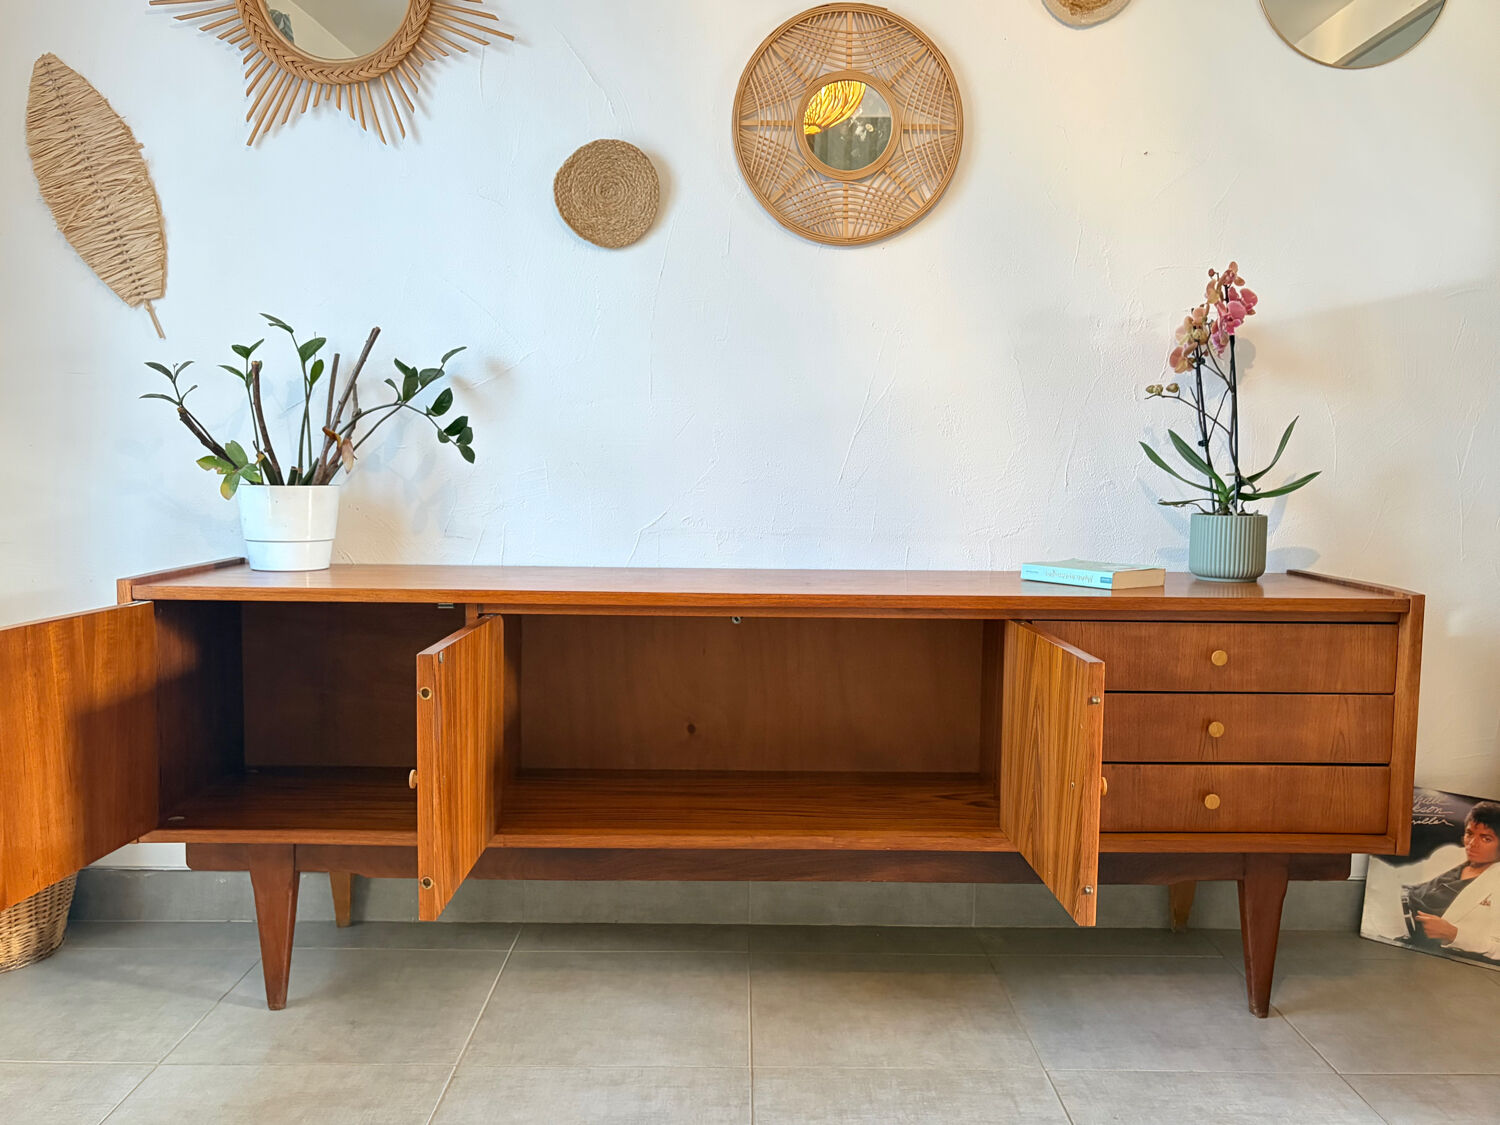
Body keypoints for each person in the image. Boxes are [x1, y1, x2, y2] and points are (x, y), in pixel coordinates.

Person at [1398, 801, 1500, 961]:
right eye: (1469, 834)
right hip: (1395, 928)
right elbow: (1399, 879)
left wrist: (1454, 934)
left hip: (1435, 956)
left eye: (1486, 839)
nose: (1472, 844)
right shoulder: (1450, 854)